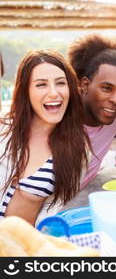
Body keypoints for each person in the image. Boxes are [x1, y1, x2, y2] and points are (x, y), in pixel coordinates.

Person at [0, 50, 89, 225]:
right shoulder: (4, 131)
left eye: (61, 83)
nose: (54, 92)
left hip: (24, 245)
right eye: (41, 85)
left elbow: (55, 212)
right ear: (26, 91)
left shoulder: (76, 146)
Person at [67, 34, 116, 189]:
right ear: (84, 84)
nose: (115, 100)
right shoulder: (59, 116)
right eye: (106, 88)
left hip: (82, 200)